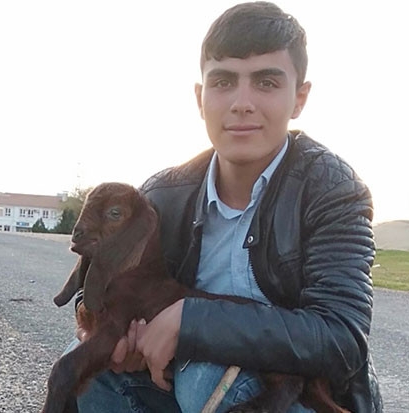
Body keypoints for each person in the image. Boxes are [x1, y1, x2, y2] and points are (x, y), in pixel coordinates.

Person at [68, 2, 382, 412]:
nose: (241, 102)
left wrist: (192, 322)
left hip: (304, 397)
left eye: (266, 82)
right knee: (84, 369)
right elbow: (99, 281)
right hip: (170, 384)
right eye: (223, 81)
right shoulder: (162, 196)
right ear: (200, 98)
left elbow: (342, 339)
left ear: (299, 98)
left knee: (206, 376)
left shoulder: (332, 190)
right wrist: (111, 330)